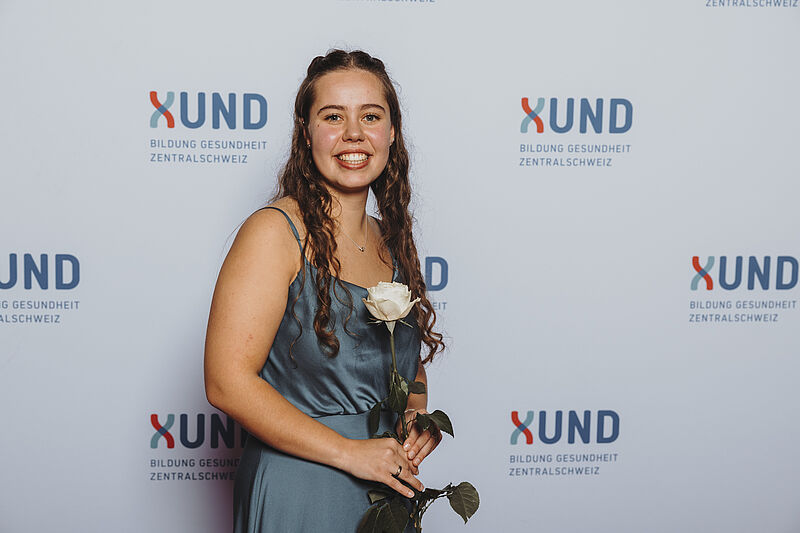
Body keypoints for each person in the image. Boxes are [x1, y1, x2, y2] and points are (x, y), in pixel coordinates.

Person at [204, 50, 445, 533]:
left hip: (383, 490)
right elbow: (226, 382)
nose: (354, 133)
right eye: (333, 117)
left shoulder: (391, 241)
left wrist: (417, 418)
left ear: (392, 132)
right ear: (306, 131)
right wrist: (349, 453)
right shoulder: (275, 232)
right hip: (301, 487)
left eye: (370, 116)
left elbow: (401, 362)